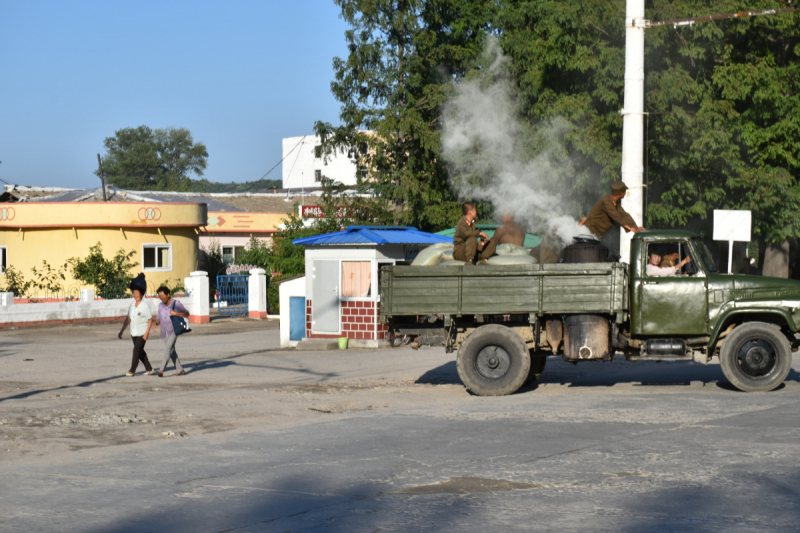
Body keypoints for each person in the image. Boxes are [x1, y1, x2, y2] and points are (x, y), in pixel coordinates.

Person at [579, 181, 645, 239]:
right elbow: (617, 217)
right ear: (622, 193)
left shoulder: (613, 203)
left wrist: (636, 228)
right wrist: (632, 229)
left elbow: (624, 215)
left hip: (594, 235)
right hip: (587, 234)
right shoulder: (606, 201)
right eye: (625, 190)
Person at [118, 273, 155, 377]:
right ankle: (149, 369)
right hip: (133, 332)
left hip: (142, 333)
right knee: (140, 351)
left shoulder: (144, 306)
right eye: (134, 292)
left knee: (136, 350)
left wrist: (147, 333)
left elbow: (150, 319)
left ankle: (132, 370)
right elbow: (128, 318)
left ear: (141, 293)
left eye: (137, 292)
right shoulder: (131, 306)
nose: (135, 294)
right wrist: (122, 330)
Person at [151, 286, 190, 377]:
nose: (161, 298)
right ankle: (180, 369)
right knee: (171, 351)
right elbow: (158, 317)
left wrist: (176, 313)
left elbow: (187, 313)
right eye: (160, 297)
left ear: (168, 294)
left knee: (168, 348)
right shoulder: (161, 305)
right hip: (164, 331)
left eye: (163, 296)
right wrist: (156, 323)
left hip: (174, 330)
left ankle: (161, 370)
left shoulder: (176, 303)